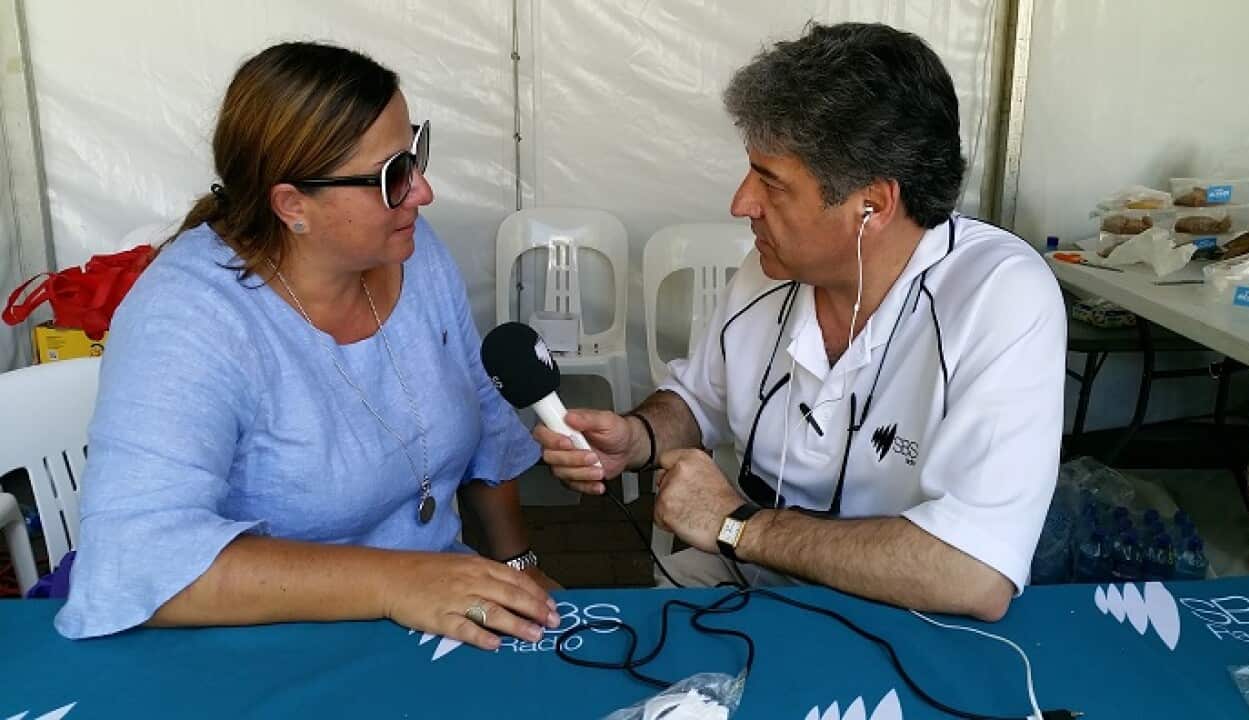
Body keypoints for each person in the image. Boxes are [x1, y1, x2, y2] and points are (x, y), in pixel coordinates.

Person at [534, 22, 1065, 621]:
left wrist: (737, 525)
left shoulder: (999, 296)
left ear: (872, 205)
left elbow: (972, 574)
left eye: (771, 182)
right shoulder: (769, 270)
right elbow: (699, 399)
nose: (741, 203)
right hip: (733, 585)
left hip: (900, 615)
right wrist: (638, 438)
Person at [56, 42, 560, 649]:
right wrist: (397, 581)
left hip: (435, 615)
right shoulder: (187, 317)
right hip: (264, 645)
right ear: (292, 204)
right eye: (391, 176)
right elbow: (133, 559)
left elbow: (479, 408)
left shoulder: (411, 249)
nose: (422, 191)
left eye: (414, 154)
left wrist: (516, 565)